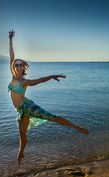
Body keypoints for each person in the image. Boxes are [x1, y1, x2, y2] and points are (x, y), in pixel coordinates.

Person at [8, 30, 89, 164]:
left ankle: (76, 127)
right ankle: (21, 153)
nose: (18, 66)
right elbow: (11, 54)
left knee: (51, 117)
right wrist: (10, 40)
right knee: (22, 134)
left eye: (20, 64)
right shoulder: (12, 77)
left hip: (27, 106)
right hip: (20, 111)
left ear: (23, 68)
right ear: (13, 67)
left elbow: (39, 80)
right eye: (16, 64)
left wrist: (52, 76)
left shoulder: (25, 82)